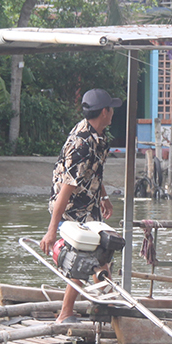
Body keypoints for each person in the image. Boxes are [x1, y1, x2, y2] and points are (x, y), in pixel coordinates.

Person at [40, 88, 122, 323]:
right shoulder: (82, 145)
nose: (113, 112)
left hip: (90, 203)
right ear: (104, 112)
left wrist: (104, 197)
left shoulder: (98, 136)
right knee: (85, 257)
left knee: (104, 254)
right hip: (71, 207)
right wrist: (52, 229)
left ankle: (106, 307)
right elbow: (67, 187)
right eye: (111, 109)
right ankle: (66, 313)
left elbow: (93, 171)